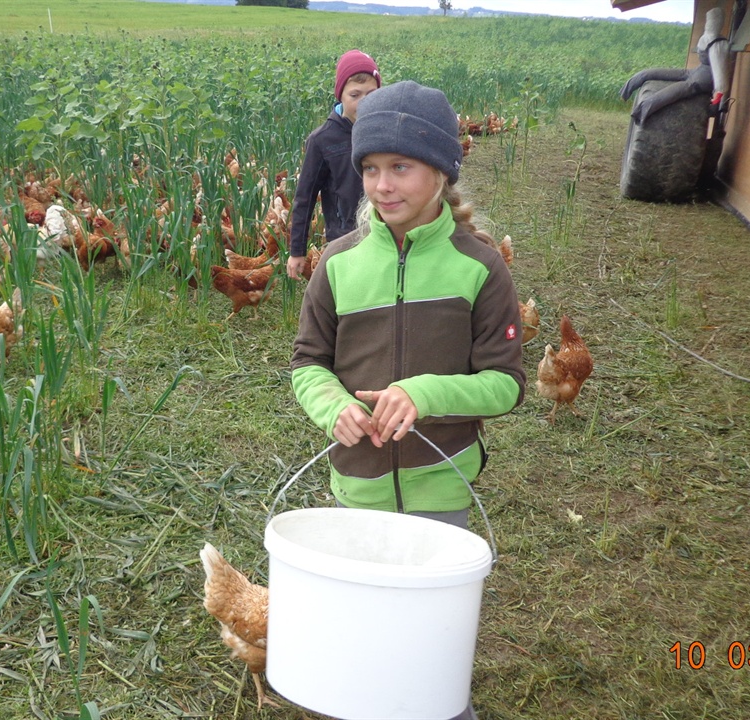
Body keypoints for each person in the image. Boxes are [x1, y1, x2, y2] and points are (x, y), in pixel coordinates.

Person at [290, 79, 524, 720]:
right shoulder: (337, 266)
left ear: (442, 172)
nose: (382, 185)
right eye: (370, 169)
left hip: (440, 493)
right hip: (356, 490)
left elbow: (504, 383)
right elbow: (308, 364)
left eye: (401, 167)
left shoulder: (479, 268)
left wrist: (421, 394)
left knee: (428, 642)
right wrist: (330, 405)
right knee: (361, 632)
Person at [286, 49, 382, 280]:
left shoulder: (385, 131)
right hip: (345, 236)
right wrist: (297, 251)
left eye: (371, 94)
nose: (363, 103)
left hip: (386, 231)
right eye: (355, 95)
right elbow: (305, 197)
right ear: (340, 95)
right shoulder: (322, 140)